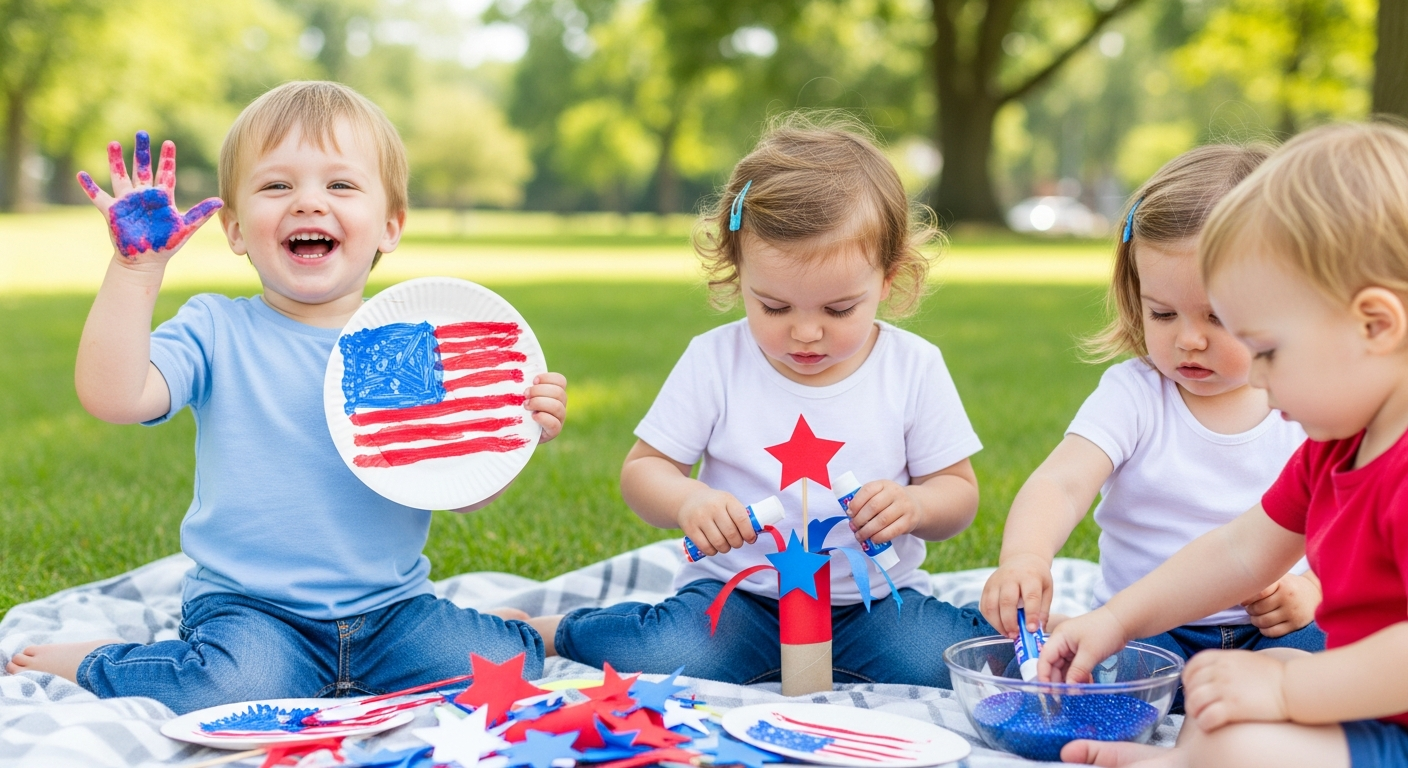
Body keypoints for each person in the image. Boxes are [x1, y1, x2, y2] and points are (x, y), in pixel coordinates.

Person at [4, 82, 568, 715]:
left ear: (390, 225)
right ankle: (101, 661)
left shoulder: (405, 345)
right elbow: (114, 396)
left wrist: (511, 431)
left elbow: (460, 493)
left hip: (390, 612)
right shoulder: (218, 329)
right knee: (233, 690)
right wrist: (137, 272)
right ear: (236, 228)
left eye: (341, 186)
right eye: (277, 186)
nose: (308, 204)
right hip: (253, 612)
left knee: (497, 672)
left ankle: (516, 629)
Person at [526, 116, 991, 687]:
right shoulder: (715, 359)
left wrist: (915, 508)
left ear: (889, 279)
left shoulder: (912, 366)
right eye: (774, 307)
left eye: (838, 309)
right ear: (736, 273)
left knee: (942, 661)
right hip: (738, 600)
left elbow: (960, 494)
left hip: (869, 603)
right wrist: (688, 502)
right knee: (678, 653)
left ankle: (1025, 630)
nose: (805, 333)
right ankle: (554, 632)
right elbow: (644, 471)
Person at [1042, 122, 1408, 768]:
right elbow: (1241, 551)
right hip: (1373, 715)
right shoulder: (1333, 450)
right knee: (1220, 718)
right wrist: (1118, 619)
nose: (1258, 382)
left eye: (1267, 350)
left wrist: (1290, 686)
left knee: (1240, 736)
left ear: (1374, 325)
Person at [979, 145, 1325, 702]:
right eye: (1162, 313)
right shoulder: (1136, 395)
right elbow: (1061, 484)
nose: (1189, 338)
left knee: (1332, 661)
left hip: (1271, 628)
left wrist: (1312, 590)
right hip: (1148, 625)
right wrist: (1025, 556)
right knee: (1112, 672)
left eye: (1217, 315)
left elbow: (1353, 526)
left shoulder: (1307, 402)